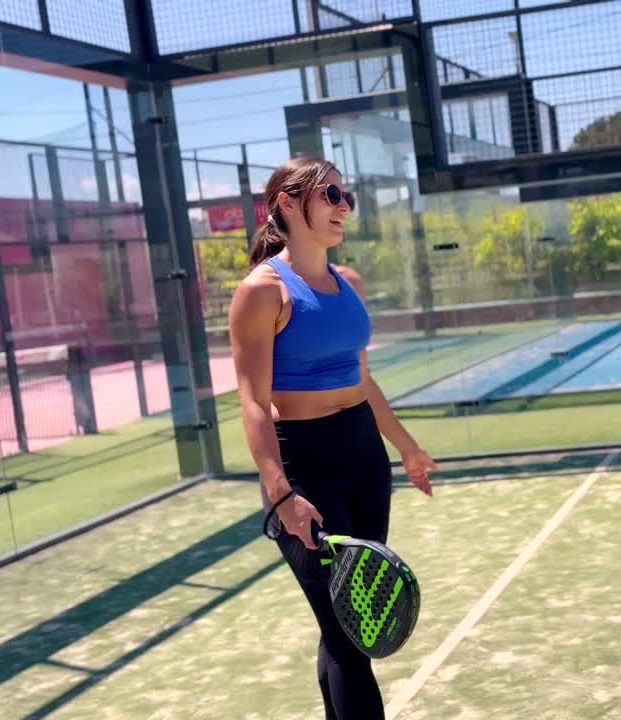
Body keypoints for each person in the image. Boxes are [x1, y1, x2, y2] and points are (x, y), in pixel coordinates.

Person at [228, 155, 436, 719]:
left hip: (364, 458)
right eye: (333, 196)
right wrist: (281, 495)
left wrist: (405, 446)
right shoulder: (261, 292)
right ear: (289, 204)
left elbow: (361, 379)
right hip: (304, 467)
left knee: (345, 627)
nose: (345, 207)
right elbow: (252, 401)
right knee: (350, 636)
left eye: (348, 197)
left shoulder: (349, 283)